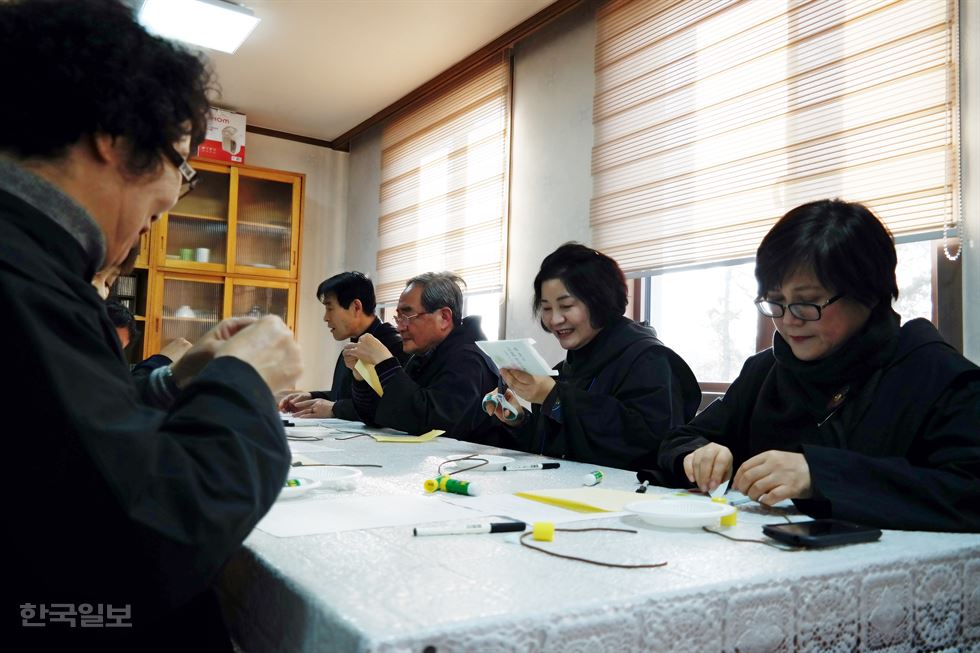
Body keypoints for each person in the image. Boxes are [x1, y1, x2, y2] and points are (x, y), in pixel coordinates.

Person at [0, 1, 303, 649]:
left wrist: (171, 381)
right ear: (115, 135)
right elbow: (146, 542)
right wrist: (245, 380)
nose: (171, 199)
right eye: (181, 165)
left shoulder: (34, 256)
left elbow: (66, 446)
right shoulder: (21, 269)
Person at [649, 199, 980, 532]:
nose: (790, 320)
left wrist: (819, 475)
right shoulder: (765, 371)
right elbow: (682, 439)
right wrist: (697, 455)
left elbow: (967, 490)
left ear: (868, 293)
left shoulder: (935, 374)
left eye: (807, 302)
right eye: (776, 302)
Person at [482, 243, 701, 470]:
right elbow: (560, 450)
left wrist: (555, 397)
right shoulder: (568, 366)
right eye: (546, 308)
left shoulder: (649, 361)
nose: (555, 320)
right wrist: (519, 421)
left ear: (600, 301)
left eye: (566, 305)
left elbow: (648, 445)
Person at [345, 272, 503, 440]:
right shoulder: (426, 354)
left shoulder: (469, 359)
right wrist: (361, 377)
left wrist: (386, 363)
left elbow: (435, 424)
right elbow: (382, 414)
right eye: (398, 318)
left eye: (407, 316)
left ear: (444, 317)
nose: (400, 328)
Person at [278, 271, 406, 420]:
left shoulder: (393, 347)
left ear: (356, 307)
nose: (326, 318)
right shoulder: (353, 345)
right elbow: (345, 395)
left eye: (330, 308)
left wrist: (335, 408)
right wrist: (311, 397)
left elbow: (386, 408)